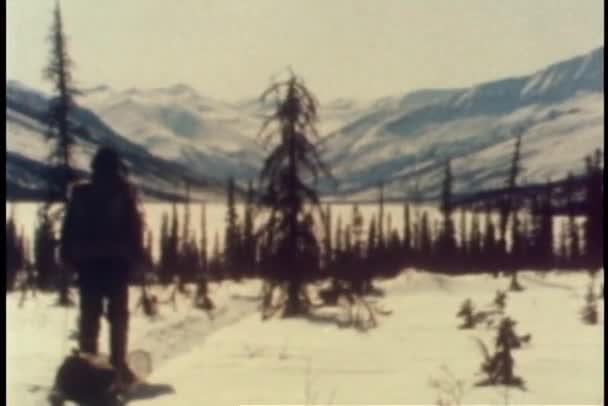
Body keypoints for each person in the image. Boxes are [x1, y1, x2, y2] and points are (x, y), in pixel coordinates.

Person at [60, 146, 144, 386]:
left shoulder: (80, 193)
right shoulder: (123, 193)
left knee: (89, 318)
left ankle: (89, 367)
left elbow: (69, 228)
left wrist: (67, 257)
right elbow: (133, 229)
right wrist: (137, 259)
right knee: (118, 318)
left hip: (88, 266)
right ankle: (118, 366)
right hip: (116, 266)